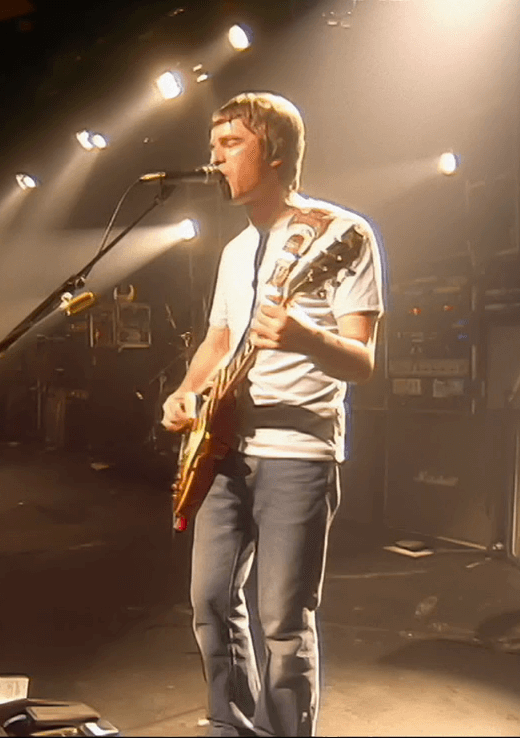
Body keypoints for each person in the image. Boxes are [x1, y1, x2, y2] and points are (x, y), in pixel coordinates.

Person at [160, 92, 385, 737]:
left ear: (276, 151)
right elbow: (220, 341)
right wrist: (187, 392)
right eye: (213, 145)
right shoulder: (235, 251)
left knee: (284, 620)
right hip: (223, 448)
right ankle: (231, 725)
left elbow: (363, 359)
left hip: (300, 452)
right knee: (209, 600)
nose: (215, 157)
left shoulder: (344, 235)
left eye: (231, 143)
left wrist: (307, 338)